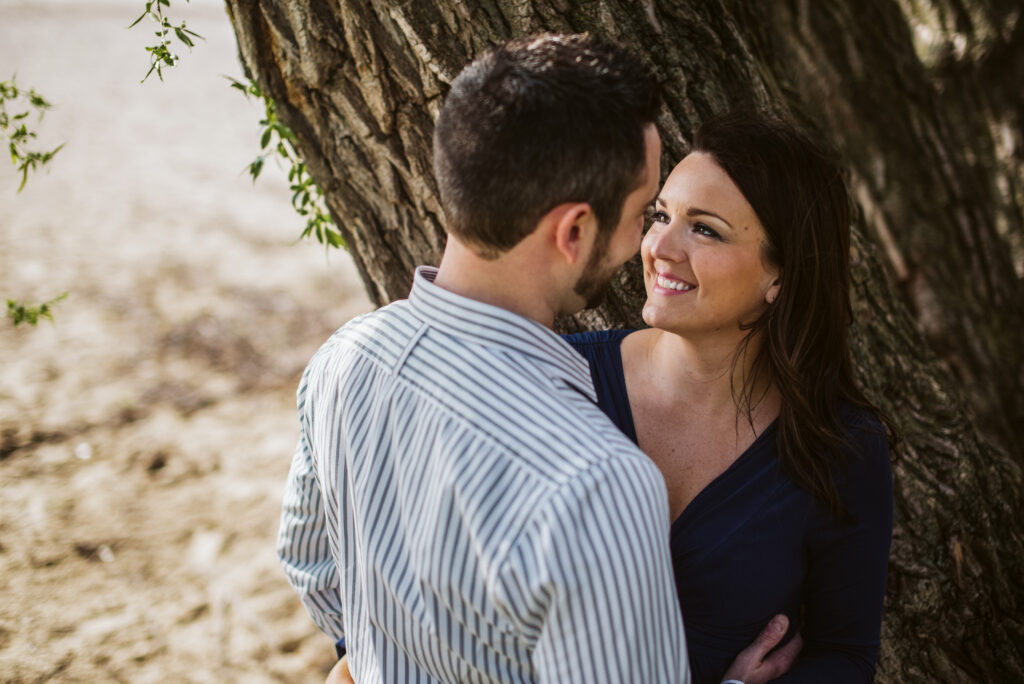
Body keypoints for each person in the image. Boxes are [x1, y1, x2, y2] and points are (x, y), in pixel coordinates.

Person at [566, 110, 895, 684]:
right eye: (661, 215)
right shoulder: (564, 381)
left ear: (781, 276)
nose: (660, 247)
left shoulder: (839, 445)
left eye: (705, 229)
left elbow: (845, 656)